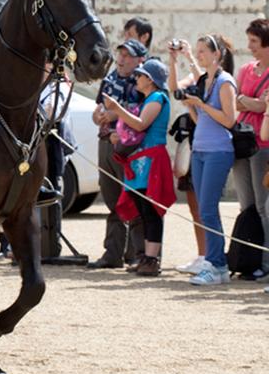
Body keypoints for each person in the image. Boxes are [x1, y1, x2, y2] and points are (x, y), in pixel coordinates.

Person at [170, 34, 238, 286]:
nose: (198, 55)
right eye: (197, 51)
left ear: (216, 54)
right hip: (199, 149)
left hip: (218, 151)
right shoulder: (205, 80)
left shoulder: (225, 82)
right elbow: (203, 120)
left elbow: (229, 119)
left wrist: (201, 104)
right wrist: (192, 106)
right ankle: (216, 264)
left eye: (202, 51)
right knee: (203, 208)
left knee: (208, 208)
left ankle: (217, 264)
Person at [104, 59, 172, 276]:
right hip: (142, 159)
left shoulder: (157, 97)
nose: (137, 78)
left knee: (151, 210)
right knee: (142, 209)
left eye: (141, 75)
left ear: (150, 80)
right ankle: (146, 256)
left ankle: (152, 259)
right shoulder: (148, 99)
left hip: (151, 159)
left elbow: (141, 124)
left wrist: (117, 110)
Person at [87, 38, 147, 269]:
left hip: (129, 145)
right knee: (111, 199)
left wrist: (116, 116)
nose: (121, 59)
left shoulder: (142, 82)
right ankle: (112, 253)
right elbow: (99, 107)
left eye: (127, 56)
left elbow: (142, 112)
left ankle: (136, 253)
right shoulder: (110, 78)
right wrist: (99, 116)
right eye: (120, 54)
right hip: (106, 142)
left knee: (131, 198)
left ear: (139, 60)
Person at [230, 19, 269, 280]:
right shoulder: (245, 69)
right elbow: (235, 101)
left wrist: (249, 103)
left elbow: (261, 108)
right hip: (241, 144)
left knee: (264, 206)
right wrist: (251, 103)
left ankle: (266, 261)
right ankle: (250, 259)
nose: (250, 47)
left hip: (263, 146)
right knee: (247, 205)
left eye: (254, 42)